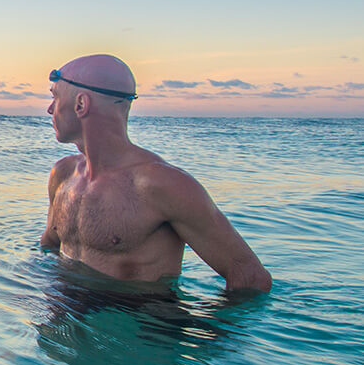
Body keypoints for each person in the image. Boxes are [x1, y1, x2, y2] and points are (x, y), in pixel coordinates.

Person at [41, 54, 272, 292]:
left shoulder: (162, 186)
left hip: (138, 323)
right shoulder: (62, 175)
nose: (50, 109)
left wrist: (209, 328)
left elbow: (251, 278)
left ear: (81, 104)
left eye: (55, 97)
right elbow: (48, 249)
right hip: (69, 321)